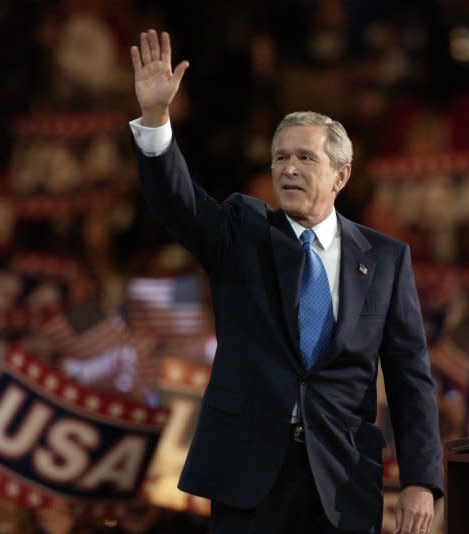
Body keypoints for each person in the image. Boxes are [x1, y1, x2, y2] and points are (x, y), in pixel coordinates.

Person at [129, 29, 443, 534]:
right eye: (281, 157)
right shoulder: (242, 231)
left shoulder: (385, 259)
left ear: (341, 175)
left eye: (305, 158)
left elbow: (410, 379)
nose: (289, 169)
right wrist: (156, 120)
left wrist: (421, 480)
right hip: (251, 475)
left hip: (342, 482)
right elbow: (178, 204)